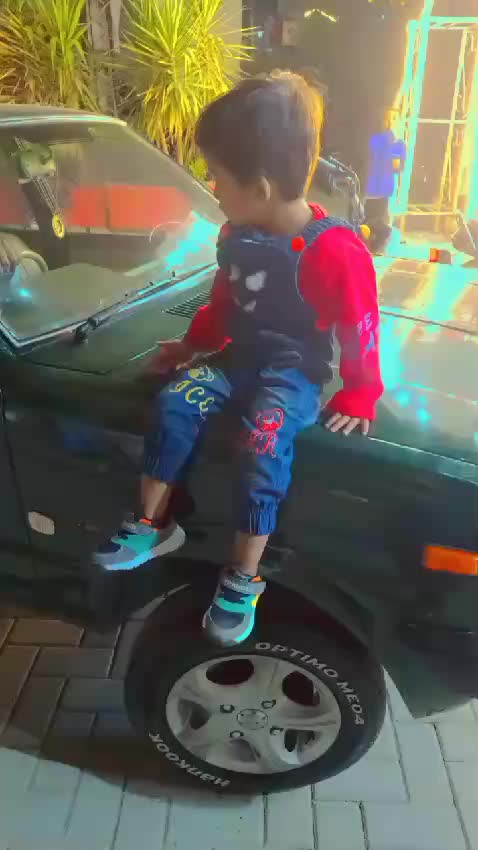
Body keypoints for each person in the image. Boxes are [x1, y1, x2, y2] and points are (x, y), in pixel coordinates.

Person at [93, 72, 384, 647]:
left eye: (218, 176)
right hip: (236, 358)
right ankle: (153, 524)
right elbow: (222, 302)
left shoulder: (336, 250)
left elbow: (361, 325)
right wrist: (190, 348)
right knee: (176, 403)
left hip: (292, 372)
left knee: (263, 445)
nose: (212, 186)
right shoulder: (235, 233)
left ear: (262, 187)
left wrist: (360, 392)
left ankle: (243, 575)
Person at [364, 109, 406, 253]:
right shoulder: (376, 140)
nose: (390, 122)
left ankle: (376, 247)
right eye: (388, 119)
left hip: (381, 191)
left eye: (393, 119)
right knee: (368, 223)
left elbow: (399, 167)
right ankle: (371, 247)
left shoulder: (397, 144)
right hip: (373, 191)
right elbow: (374, 148)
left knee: (377, 225)